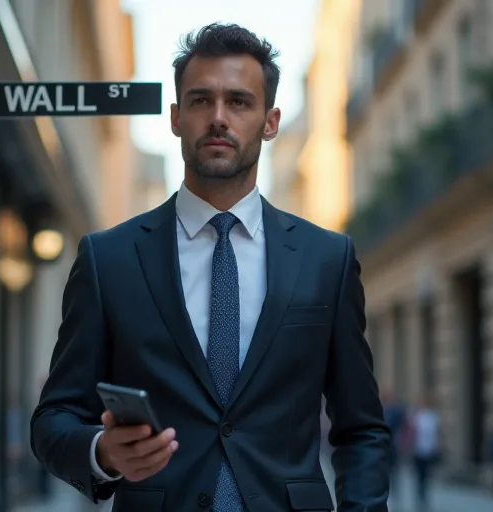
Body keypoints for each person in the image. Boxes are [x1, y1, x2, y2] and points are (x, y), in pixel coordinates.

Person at [30, 23, 391, 512]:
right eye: (201, 101)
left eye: (239, 102)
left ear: (270, 121)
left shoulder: (327, 258)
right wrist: (102, 452)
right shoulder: (107, 259)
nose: (218, 118)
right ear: (177, 118)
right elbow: (54, 418)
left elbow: (362, 428)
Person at [401, 393, 442, 511]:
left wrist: (438, 445)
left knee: (426, 476)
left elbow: (437, 432)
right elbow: (408, 432)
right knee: (419, 476)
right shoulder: (415, 416)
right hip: (417, 451)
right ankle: (419, 497)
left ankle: (424, 496)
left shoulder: (433, 416)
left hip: (429, 450)